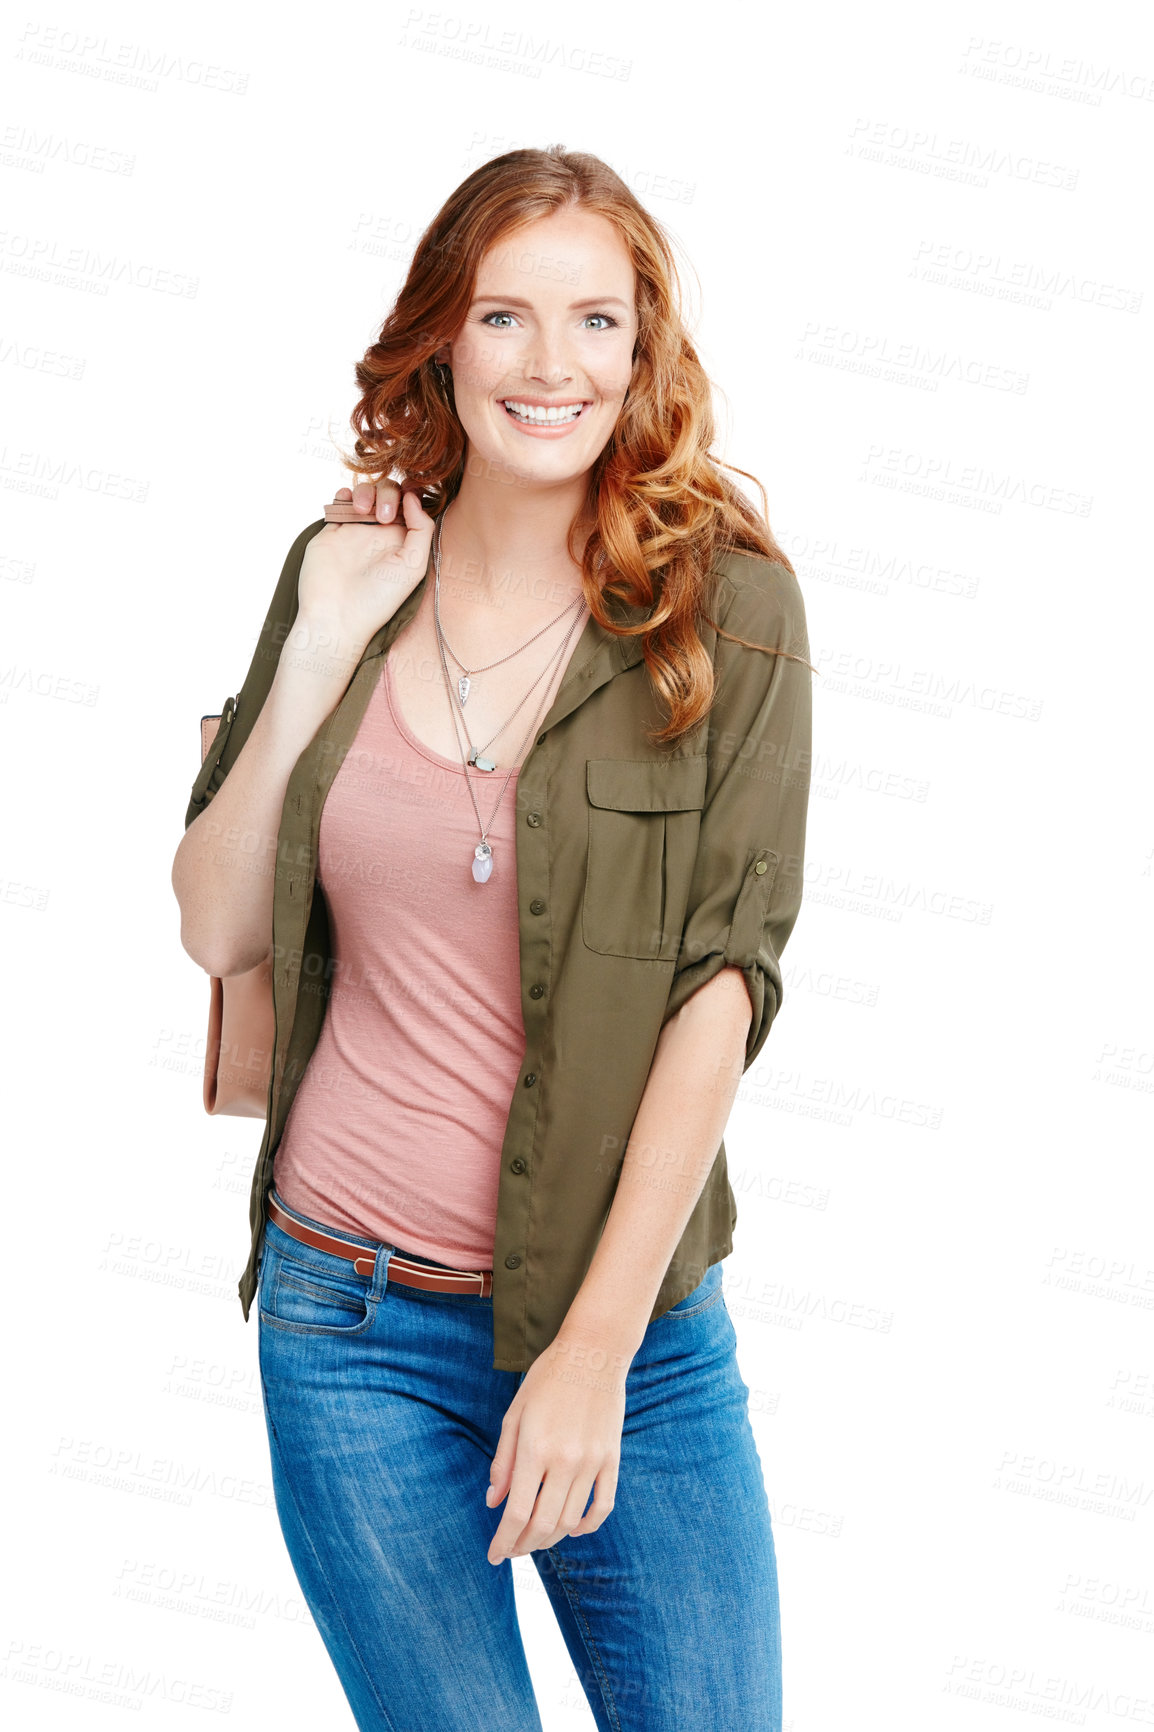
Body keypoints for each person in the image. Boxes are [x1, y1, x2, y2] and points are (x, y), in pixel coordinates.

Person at [172, 146, 813, 1732]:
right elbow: (213, 924)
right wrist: (321, 638)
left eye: (595, 322)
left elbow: (722, 989)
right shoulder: (340, 577)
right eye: (505, 318)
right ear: (440, 343)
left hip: (633, 1341)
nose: (551, 366)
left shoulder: (728, 610)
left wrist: (590, 1352)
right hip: (351, 1325)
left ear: (643, 348)